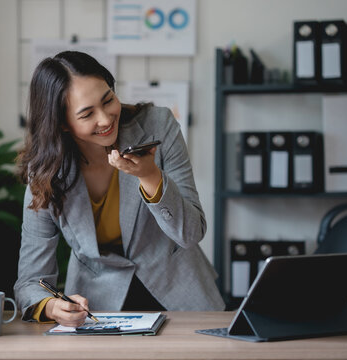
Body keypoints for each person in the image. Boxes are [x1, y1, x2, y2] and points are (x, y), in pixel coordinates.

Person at [14, 51, 224, 327]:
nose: (105, 119)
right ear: (63, 123)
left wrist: (150, 177)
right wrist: (53, 306)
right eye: (87, 114)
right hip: (98, 310)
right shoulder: (45, 171)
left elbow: (191, 233)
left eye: (108, 99)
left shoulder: (157, 126)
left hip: (182, 298)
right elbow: (30, 281)